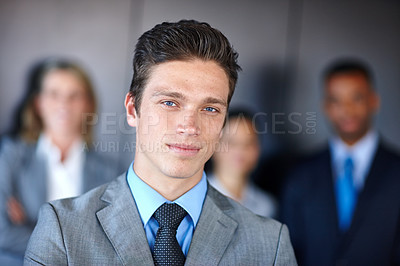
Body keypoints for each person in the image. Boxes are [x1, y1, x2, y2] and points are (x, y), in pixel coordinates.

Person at [24, 20, 297, 265]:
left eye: (210, 109)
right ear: (133, 110)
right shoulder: (62, 229)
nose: (189, 127)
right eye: (169, 102)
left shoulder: (269, 243)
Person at [0, 59, 120, 265]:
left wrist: (31, 228)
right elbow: (2, 232)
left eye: (74, 96)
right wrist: (76, 245)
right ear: (39, 103)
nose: (64, 104)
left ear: (88, 104)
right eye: (54, 94)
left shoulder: (110, 171)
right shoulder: (11, 155)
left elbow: (113, 241)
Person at [281, 59, 400, 266]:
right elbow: (289, 250)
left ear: (374, 101)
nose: (346, 109)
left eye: (356, 98)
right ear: (325, 107)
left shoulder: (396, 171)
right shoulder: (300, 175)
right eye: (336, 100)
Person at [208, 108, 278, 217]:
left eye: (249, 143)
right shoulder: (196, 198)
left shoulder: (265, 205)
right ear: (214, 146)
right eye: (232, 142)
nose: (240, 150)